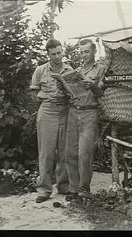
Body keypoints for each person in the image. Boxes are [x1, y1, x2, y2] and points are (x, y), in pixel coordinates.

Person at [30, 39, 73, 203]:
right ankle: (44, 189)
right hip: (47, 111)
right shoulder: (40, 70)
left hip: (65, 110)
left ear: (62, 52)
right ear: (48, 55)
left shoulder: (69, 70)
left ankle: (64, 186)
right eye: (53, 54)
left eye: (59, 53)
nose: (57, 56)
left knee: (64, 151)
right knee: (46, 152)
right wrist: (46, 99)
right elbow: (33, 94)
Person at [63, 39, 107, 200]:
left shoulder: (101, 69)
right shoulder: (77, 70)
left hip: (90, 113)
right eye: (81, 52)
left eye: (86, 52)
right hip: (73, 112)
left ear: (94, 52)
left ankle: (84, 189)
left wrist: (92, 86)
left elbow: (102, 93)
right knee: (70, 152)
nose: (83, 55)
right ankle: (74, 190)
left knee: (85, 153)